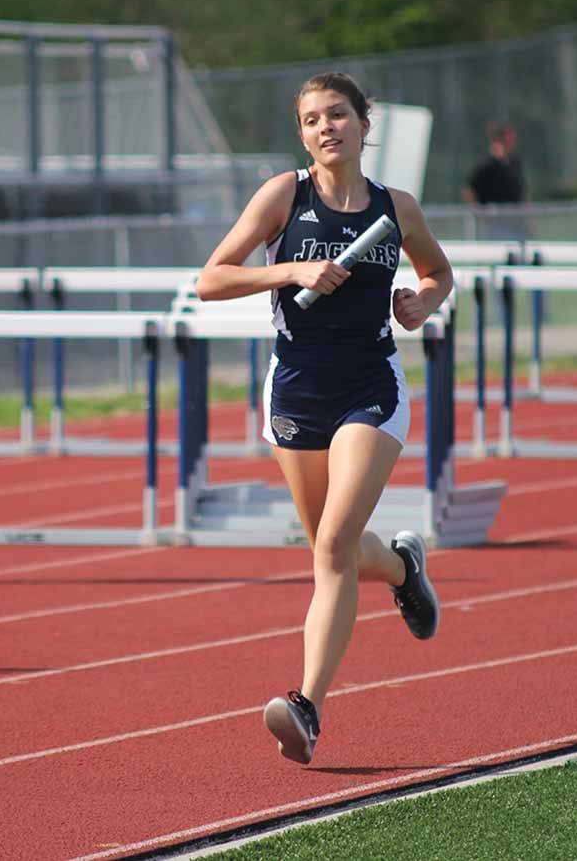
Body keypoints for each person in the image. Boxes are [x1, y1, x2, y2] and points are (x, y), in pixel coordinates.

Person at [196, 72, 453, 765]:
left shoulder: (396, 208)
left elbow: (438, 273)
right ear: (302, 133)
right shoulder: (285, 196)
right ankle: (402, 568)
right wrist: (289, 273)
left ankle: (306, 707)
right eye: (311, 119)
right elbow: (211, 279)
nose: (325, 128)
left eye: (337, 114)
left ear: (364, 124)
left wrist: (421, 303)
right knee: (329, 547)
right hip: (296, 390)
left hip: (370, 388)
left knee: (333, 547)